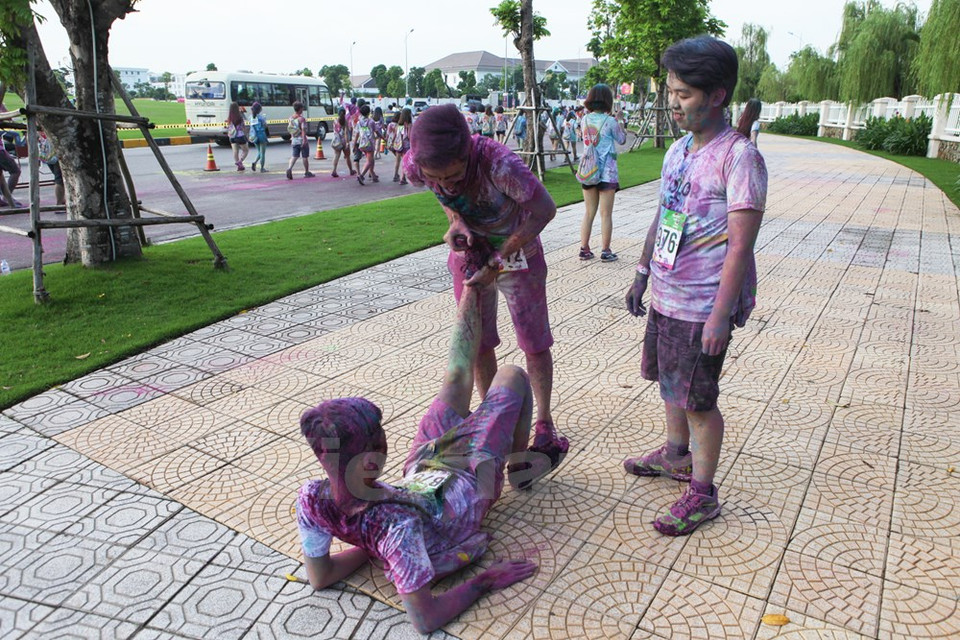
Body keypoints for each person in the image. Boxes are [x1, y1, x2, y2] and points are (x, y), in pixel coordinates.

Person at [297, 283, 545, 634]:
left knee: (456, 376)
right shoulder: (397, 528)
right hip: (472, 480)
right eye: (381, 436)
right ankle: (518, 465)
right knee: (512, 375)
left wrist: (371, 545)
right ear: (372, 458)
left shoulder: (312, 498)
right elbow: (426, 619)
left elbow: (320, 576)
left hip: (423, 467)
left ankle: (474, 284)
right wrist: (485, 581)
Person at [623, 35, 768, 536]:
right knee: (671, 385)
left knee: (698, 402)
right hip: (666, 293)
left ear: (718, 95)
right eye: (671, 91)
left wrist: (719, 316)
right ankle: (675, 454)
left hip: (702, 303)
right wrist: (642, 271)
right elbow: (666, 214)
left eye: (683, 94)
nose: (673, 102)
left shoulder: (740, 158)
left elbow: (740, 247)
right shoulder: (679, 150)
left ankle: (703, 494)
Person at [402, 104, 569, 475]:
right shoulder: (415, 166)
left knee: (534, 341)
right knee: (477, 342)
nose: (447, 185)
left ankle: (544, 423)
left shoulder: (499, 164)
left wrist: (498, 259)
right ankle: (492, 417)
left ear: (467, 154)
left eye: (454, 175)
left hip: (517, 254)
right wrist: (456, 221)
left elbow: (545, 210)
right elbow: (443, 197)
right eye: (436, 178)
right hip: (471, 255)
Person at [578, 84, 627, 262]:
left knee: (589, 212)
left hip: (589, 170)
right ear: (607, 100)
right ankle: (605, 250)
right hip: (607, 171)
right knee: (606, 214)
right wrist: (620, 120)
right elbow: (622, 139)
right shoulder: (610, 121)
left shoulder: (584, 119)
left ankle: (584, 248)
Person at [285, 101, 315, 180]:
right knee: (305, 156)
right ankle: (306, 172)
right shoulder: (301, 119)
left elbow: (291, 129)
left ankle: (289, 168)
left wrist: (292, 138)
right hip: (301, 139)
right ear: (300, 109)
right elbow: (303, 130)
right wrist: (304, 140)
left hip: (294, 139)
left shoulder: (291, 118)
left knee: (294, 155)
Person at [37, 127, 65, 211]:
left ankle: (61, 200)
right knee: (59, 179)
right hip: (54, 151)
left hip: (47, 152)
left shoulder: (40, 125)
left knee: (59, 178)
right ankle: (59, 204)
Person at [353, 104, 377, 185]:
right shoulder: (371, 122)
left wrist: (354, 144)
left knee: (370, 160)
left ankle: (373, 175)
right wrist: (383, 138)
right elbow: (376, 131)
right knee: (369, 161)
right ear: (369, 112)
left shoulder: (359, 122)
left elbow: (357, 134)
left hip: (362, 143)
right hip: (370, 143)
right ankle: (361, 175)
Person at [330, 107, 355, 178]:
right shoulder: (345, 121)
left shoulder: (335, 120)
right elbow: (346, 133)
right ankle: (351, 170)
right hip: (343, 141)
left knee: (336, 155)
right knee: (347, 157)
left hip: (336, 140)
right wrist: (347, 142)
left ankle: (334, 170)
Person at [391, 107, 412, 185]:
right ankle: (403, 178)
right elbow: (409, 136)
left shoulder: (398, 125)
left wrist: (392, 143)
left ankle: (395, 175)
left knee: (397, 161)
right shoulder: (409, 125)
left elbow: (395, 135)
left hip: (398, 145)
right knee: (405, 162)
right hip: (406, 145)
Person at [227, 101, 249, 171]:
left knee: (235, 151)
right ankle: (240, 161)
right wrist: (246, 135)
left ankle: (239, 166)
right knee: (245, 150)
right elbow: (243, 127)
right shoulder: (239, 117)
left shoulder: (229, 118)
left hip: (232, 136)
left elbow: (229, 127)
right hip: (240, 136)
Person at [248, 102, 268, 172]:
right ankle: (262, 168)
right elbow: (265, 126)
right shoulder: (261, 118)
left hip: (253, 136)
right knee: (262, 153)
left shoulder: (250, 117)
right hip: (261, 135)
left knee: (259, 152)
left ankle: (255, 162)